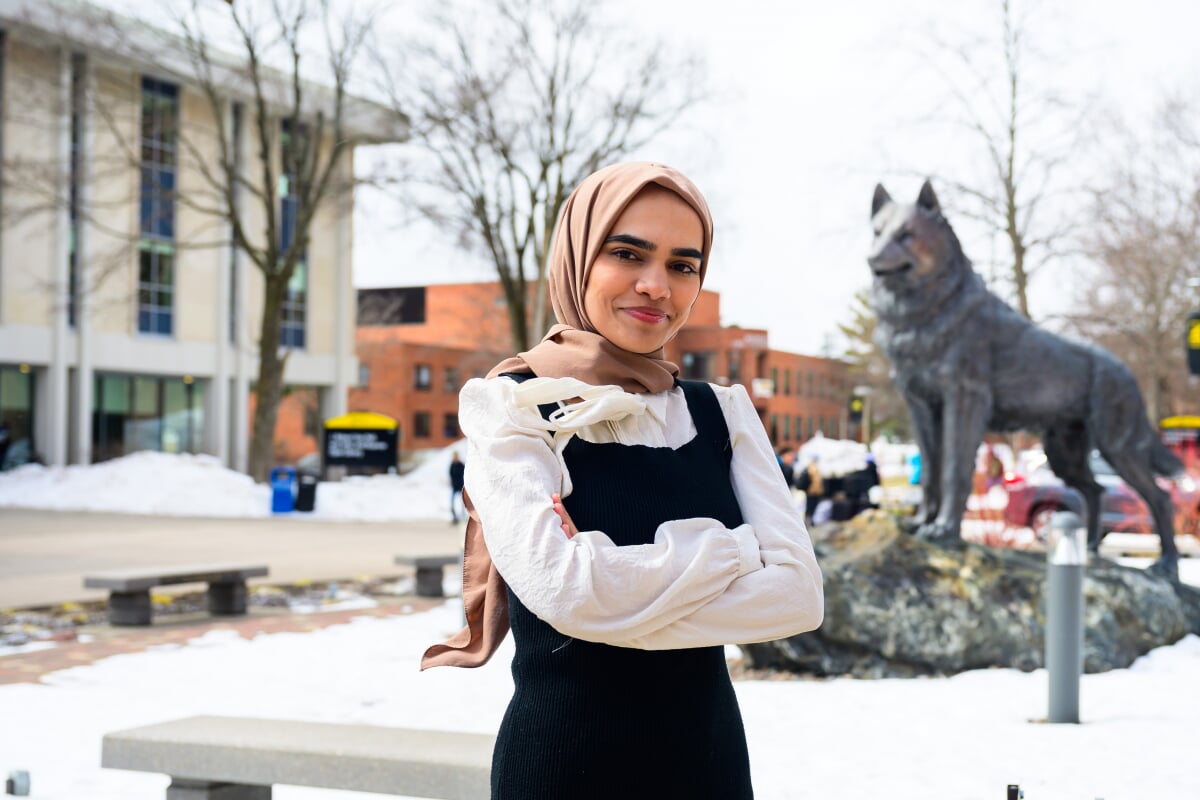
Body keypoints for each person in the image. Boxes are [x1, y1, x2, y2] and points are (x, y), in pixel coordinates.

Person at [421, 162, 824, 799]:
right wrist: (735, 552)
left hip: (709, 768)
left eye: (683, 265)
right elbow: (566, 590)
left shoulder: (723, 411)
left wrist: (615, 598)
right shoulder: (513, 407)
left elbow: (798, 597)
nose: (655, 285)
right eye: (627, 252)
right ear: (578, 256)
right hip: (562, 768)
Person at [448, 452, 466, 523]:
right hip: (454, 487)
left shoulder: (461, 465)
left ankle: (463, 516)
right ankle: (454, 517)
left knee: (463, 503)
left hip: (461, 486)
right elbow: (451, 475)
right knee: (452, 502)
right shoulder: (452, 465)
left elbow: (464, 475)